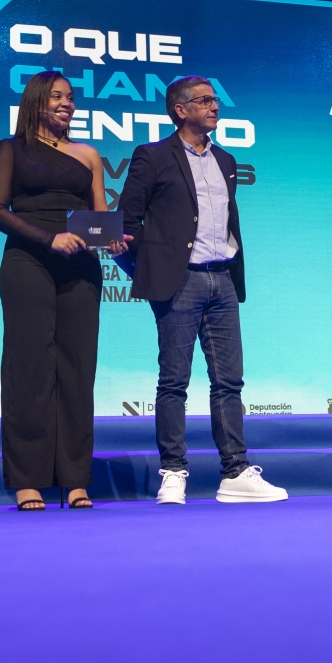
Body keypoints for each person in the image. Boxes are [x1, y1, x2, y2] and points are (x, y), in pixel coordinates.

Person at [119, 76, 287, 505]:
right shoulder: (153, 156)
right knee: (174, 381)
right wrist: (153, 268)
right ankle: (174, 471)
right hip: (181, 281)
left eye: (215, 100)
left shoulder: (225, 159)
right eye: (205, 100)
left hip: (223, 279)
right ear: (180, 110)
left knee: (229, 381)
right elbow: (127, 223)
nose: (215, 106)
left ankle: (235, 472)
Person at [0, 70, 124, 512]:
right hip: (28, 261)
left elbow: (99, 216)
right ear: (36, 101)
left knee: (77, 370)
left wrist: (113, 238)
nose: (67, 104)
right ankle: (27, 480)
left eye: (71, 97)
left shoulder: (88, 154)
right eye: (57, 96)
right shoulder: (10, 149)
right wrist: (49, 239)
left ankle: (75, 479)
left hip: (80, 267)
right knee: (29, 367)